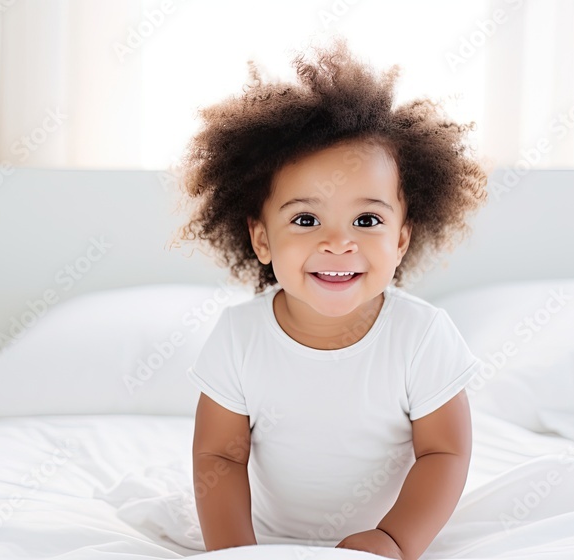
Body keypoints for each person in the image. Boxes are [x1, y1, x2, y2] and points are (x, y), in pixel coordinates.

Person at [174, 37, 488, 560]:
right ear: (262, 239)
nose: (338, 243)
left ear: (402, 239)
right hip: (265, 537)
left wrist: (394, 538)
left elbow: (445, 452)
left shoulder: (422, 336)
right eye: (305, 219)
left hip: (388, 536)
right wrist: (234, 551)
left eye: (367, 221)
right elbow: (219, 458)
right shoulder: (239, 336)